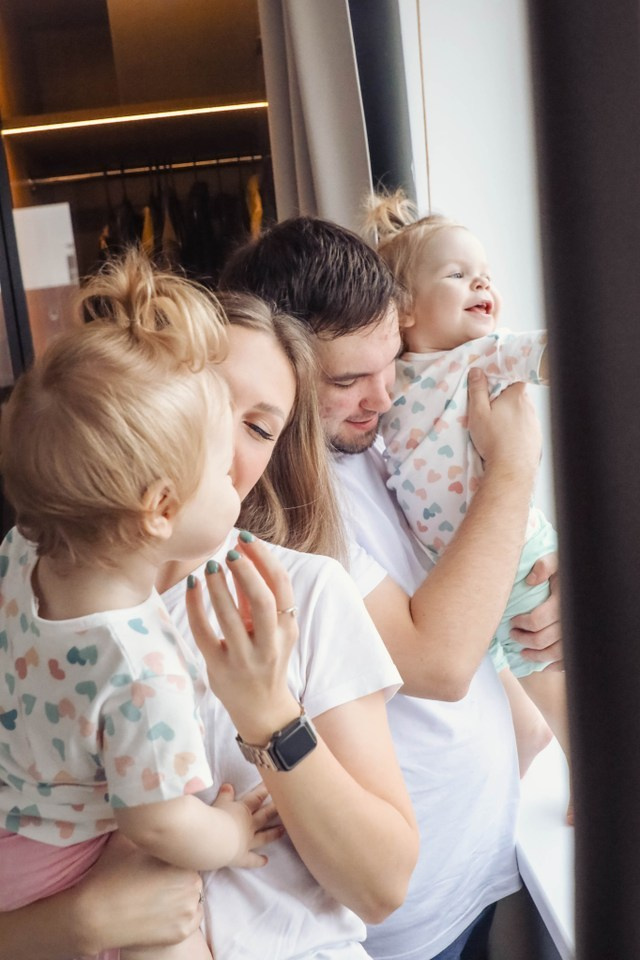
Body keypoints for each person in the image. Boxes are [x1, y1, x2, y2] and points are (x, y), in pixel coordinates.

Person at [0, 255, 419, 960]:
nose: (224, 447)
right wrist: (80, 923)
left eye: (259, 428)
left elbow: (382, 886)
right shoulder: (29, 567)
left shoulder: (310, 594)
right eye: (210, 404)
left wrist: (270, 714)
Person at [220, 215, 564, 960]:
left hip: (483, 861)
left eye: (392, 363)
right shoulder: (293, 508)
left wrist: (535, 590)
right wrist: (513, 466)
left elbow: (459, 584)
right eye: (346, 381)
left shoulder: (378, 434)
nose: (381, 397)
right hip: (407, 920)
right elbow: (436, 663)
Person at [0, 258, 282, 959]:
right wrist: (232, 833)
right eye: (221, 471)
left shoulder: (20, 553)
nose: (235, 481)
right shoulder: (138, 665)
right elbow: (159, 824)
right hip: (63, 866)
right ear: (160, 509)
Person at [364, 190, 570, 803]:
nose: (481, 281)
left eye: (484, 273)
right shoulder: (389, 382)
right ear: (402, 310)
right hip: (458, 567)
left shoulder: (480, 357)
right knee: (511, 682)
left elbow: (550, 353)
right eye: (457, 274)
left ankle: (598, 776)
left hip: (510, 548)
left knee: (544, 671)